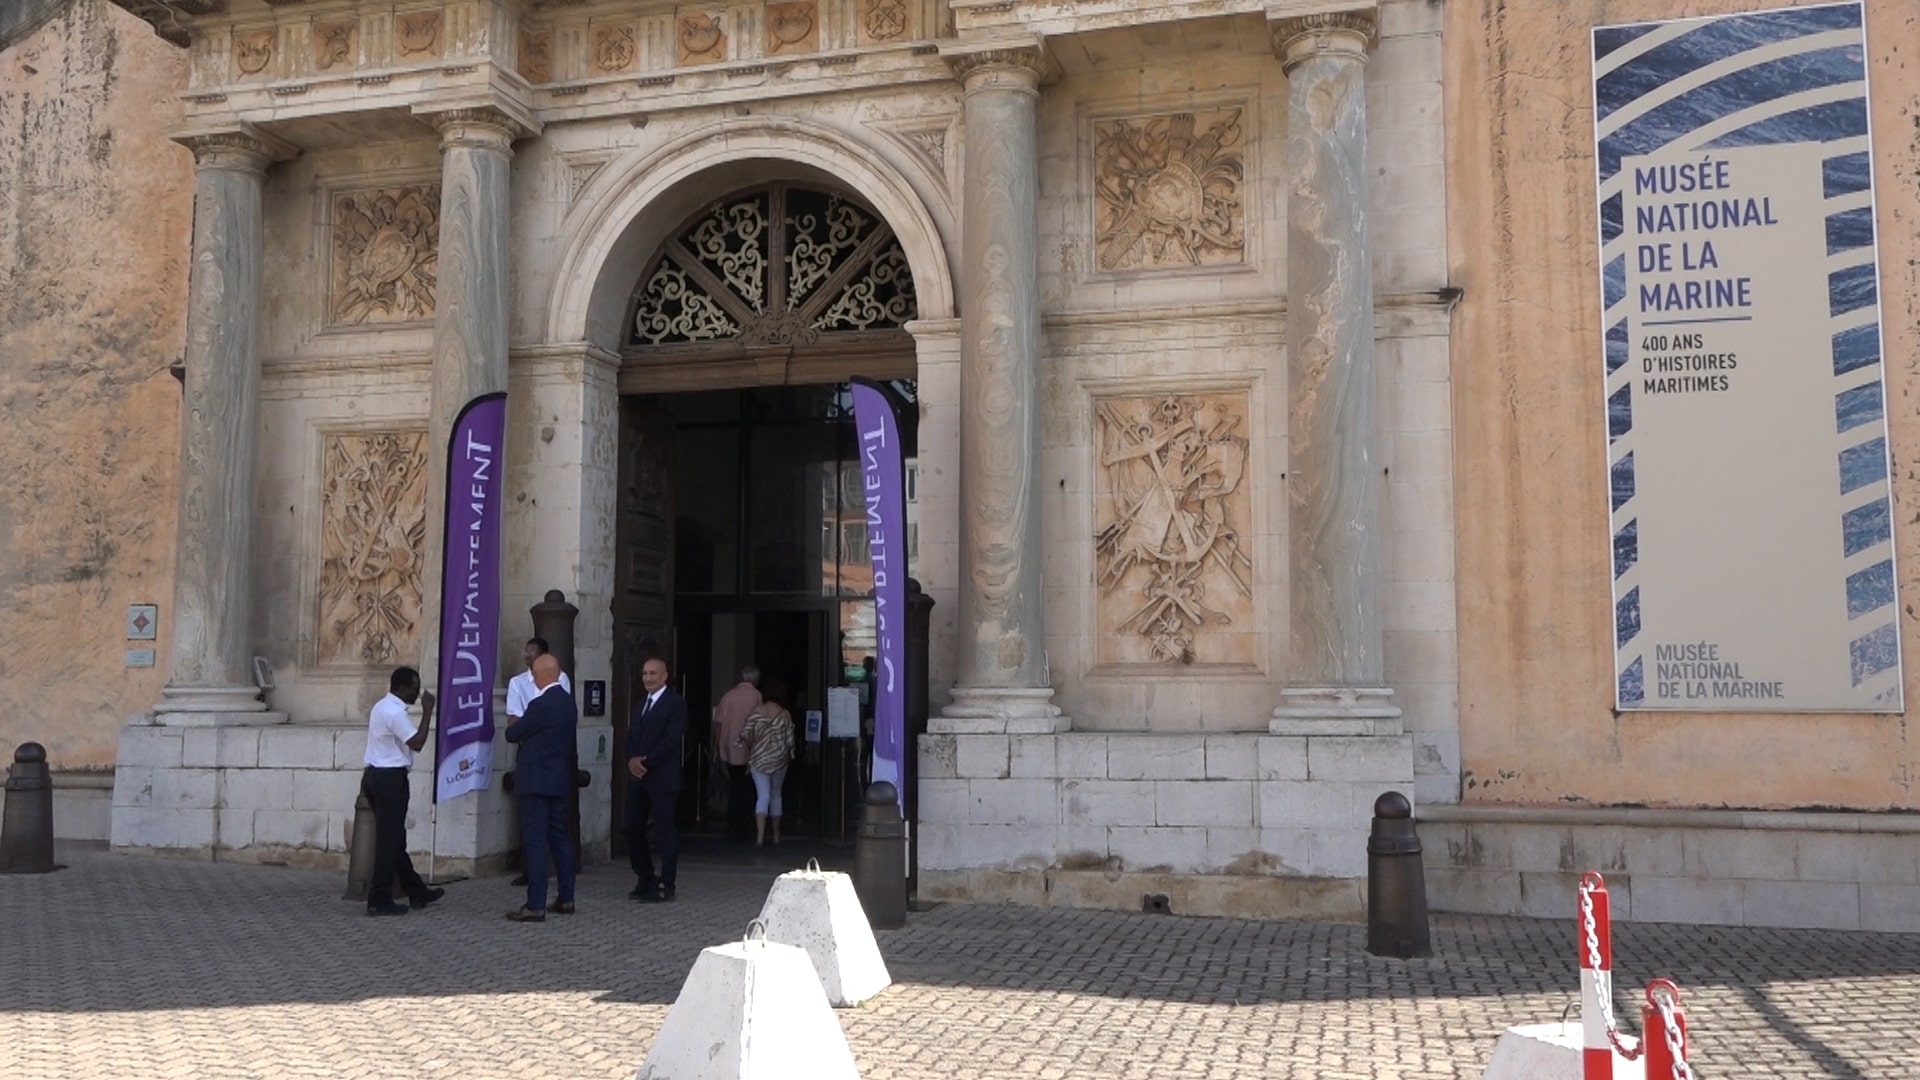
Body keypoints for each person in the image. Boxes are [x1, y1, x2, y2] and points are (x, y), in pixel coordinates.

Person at [361, 666, 446, 917]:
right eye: (414, 687)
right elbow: (417, 743)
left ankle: (416, 889)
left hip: (376, 775)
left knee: (395, 839)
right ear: (401, 686)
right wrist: (428, 711)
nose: (417, 693)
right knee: (389, 842)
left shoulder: (382, 706)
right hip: (389, 779)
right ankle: (379, 899)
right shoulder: (395, 712)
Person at [504, 654, 578, 922]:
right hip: (558, 780)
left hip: (535, 781)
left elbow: (513, 734)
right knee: (560, 839)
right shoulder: (568, 703)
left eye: (533, 673)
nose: (532, 677)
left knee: (535, 841)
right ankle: (566, 897)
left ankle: (536, 904)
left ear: (541, 675)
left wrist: (515, 723)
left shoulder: (540, 705)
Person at [626, 655, 686, 903]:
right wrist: (632, 759)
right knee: (631, 826)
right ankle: (645, 876)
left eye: (653, 673)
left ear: (664, 676)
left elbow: (671, 740)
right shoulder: (641, 703)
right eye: (644, 673)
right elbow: (631, 735)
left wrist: (646, 761)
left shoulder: (675, 704)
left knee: (664, 831)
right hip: (638, 777)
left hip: (662, 776)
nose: (648, 678)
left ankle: (666, 883)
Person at [740, 678, 797, 847]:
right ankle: (777, 835)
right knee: (776, 795)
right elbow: (790, 741)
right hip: (779, 759)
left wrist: (754, 746)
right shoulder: (785, 714)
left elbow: (745, 734)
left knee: (762, 796)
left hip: (759, 759)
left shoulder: (757, 711)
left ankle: (759, 836)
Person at [712, 665, 761, 843]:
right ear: (754, 680)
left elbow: (718, 724)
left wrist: (717, 748)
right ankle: (744, 827)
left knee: (734, 787)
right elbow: (758, 723)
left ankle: (731, 825)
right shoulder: (756, 696)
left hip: (728, 747)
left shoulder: (728, 696)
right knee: (747, 789)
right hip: (748, 748)